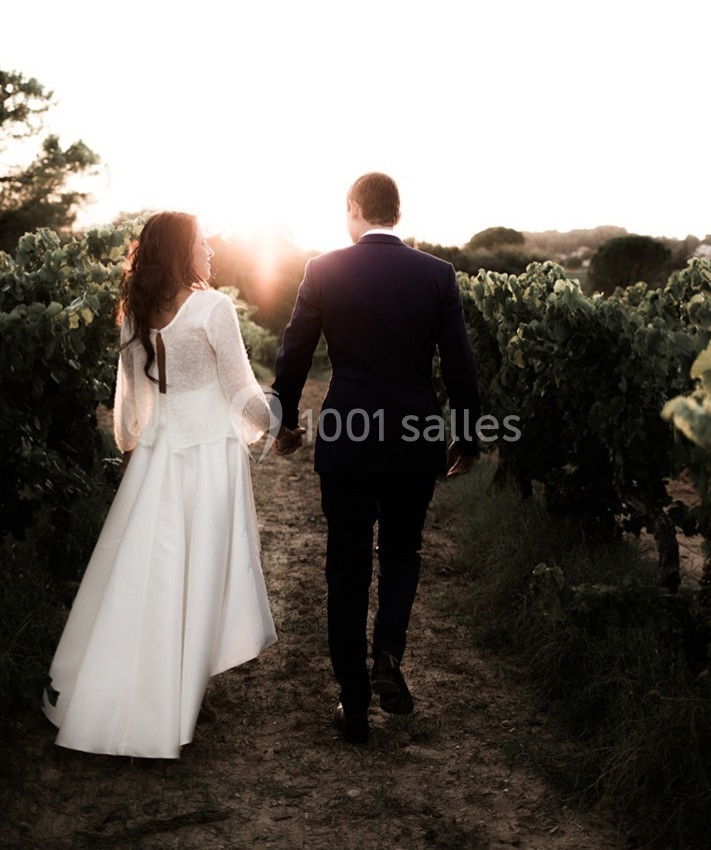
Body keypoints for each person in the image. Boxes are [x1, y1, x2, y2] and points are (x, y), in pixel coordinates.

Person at [42, 211, 277, 758]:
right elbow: (243, 393)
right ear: (181, 251)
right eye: (203, 243)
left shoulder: (137, 312)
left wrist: (134, 446)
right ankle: (184, 689)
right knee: (202, 567)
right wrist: (280, 425)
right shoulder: (214, 308)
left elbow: (130, 405)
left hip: (159, 454)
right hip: (209, 457)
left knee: (153, 572)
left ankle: (148, 684)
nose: (211, 252)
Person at [271, 173, 480, 745]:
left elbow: (293, 354)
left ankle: (353, 699)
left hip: (347, 433)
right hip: (415, 438)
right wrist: (467, 436)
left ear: (353, 210)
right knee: (402, 551)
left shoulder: (322, 270)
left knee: (347, 563)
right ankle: (387, 654)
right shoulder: (438, 275)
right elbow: (460, 366)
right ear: (398, 212)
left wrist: (285, 420)